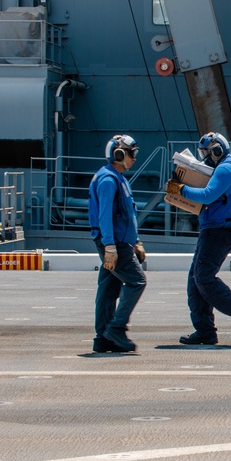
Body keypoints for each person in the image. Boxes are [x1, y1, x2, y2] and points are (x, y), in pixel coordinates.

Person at [165, 132, 231, 345]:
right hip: (222, 229)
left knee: (203, 279)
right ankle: (205, 330)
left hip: (218, 230)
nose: (206, 158)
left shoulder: (225, 169)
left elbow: (207, 195)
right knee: (196, 279)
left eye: (208, 153)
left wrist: (181, 189)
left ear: (218, 150)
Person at [89, 134, 147, 353]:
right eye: (132, 154)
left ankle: (103, 337)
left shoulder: (118, 178)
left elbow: (127, 215)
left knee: (108, 287)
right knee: (137, 281)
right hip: (114, 243)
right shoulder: (108, 180)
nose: (134, 158)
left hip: (120, 242)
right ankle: (116, 328)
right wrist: (110, 247)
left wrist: (137, 241)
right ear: (119, 154)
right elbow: (105, 215)